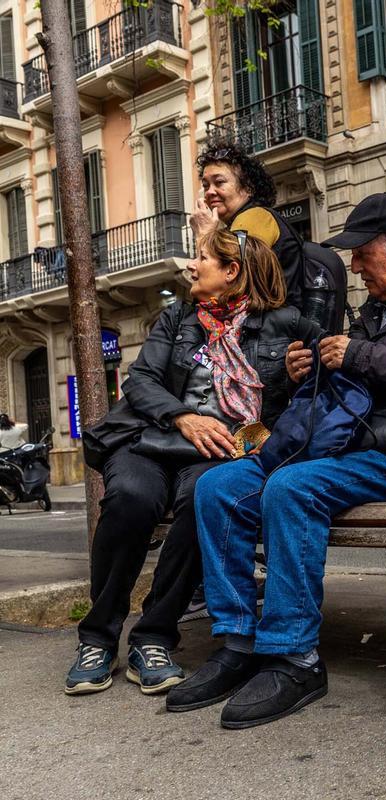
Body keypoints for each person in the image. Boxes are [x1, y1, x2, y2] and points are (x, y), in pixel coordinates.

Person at [166, 194, 386, 729]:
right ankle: (238, 642)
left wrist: (358, 355)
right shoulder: (372, 312)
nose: (353, 266)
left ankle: (295, 657)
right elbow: (341, 386)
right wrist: (301, 371)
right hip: (336, 445)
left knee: (293, 487)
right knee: (218, 488)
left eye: (362, 253)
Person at [66, 229, 321, 696]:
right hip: (151, 441)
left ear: (232, 271)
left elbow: (287, 414)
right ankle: (97, 637)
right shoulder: (178, 318)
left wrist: (256, 425)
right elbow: (140, 381)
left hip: (216, 452)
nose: (191, 264)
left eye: (202, 257)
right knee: (130, 500)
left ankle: (154, 637)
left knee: (200, 500)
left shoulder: (288, 327)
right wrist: (184, 416)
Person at [193, 139, 305, 310]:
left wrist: (204, 234)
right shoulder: (244, 220)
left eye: (219, 182)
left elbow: (230, 281)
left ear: (248, 188)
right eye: (206, 185)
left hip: (274, 330)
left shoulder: (254, 217)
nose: (210, 192)